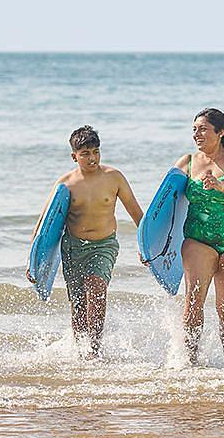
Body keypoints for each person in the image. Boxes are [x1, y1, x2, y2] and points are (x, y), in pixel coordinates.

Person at [31, 125, 144, 357]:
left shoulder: (114, 177)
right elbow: (44, 224)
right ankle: (80, 351)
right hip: (73, 248)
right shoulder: (66, 184)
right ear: (74, 156)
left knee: (97, 287)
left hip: (104, 246)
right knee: (79, 306)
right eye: (85, 154)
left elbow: (137, 214)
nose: (92, 158)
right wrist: (34, 263)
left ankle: (95, 350)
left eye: (96, 152)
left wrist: (148, 248)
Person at [176, 108, 224, 365]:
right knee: (193, 302)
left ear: (220, 132)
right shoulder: (186, 162)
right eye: (194, 129)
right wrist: (153, 246)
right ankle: (190, 362)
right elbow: (165, 205)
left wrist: (220, 185)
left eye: (203, 129)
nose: (197, 134)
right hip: (199, 240)